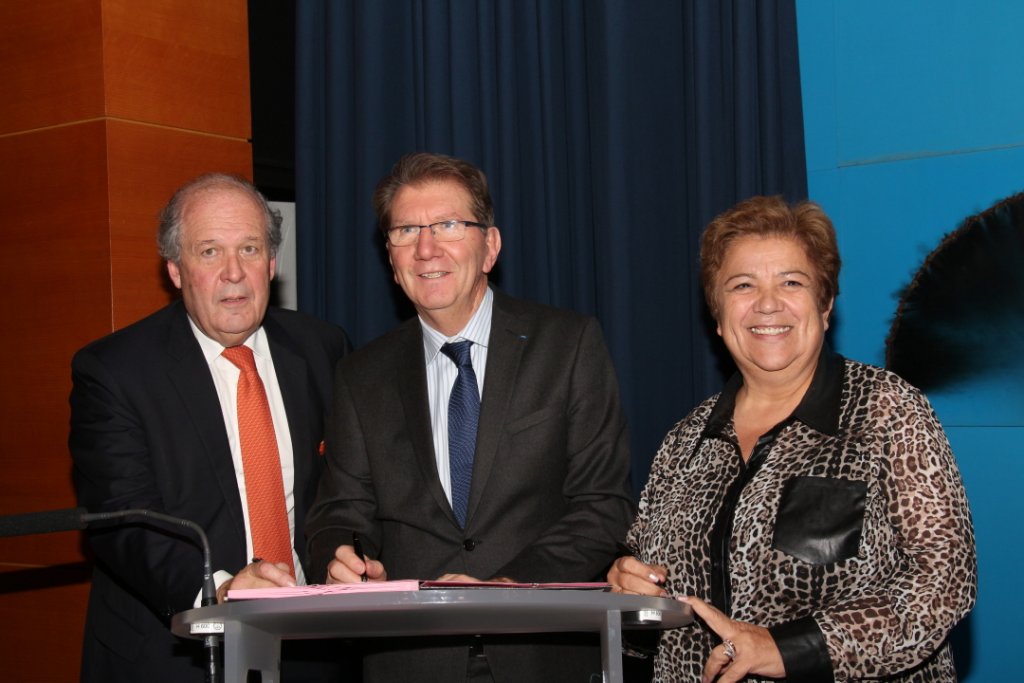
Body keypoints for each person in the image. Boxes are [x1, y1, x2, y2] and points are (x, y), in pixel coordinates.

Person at [609, 195, 976, 682]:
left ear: (825, 307)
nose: (766, 303)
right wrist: (630, 600)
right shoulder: (685, 441)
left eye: (791, 282)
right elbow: (648, 611)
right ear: (717, 317)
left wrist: (787, 649)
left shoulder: (886, 409)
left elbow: (945, 581)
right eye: (742, 285)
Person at [305, 152, 634, 682]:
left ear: (490, 247)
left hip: (542, 652)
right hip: (409, 660)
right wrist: (339, 554)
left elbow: (603, 505)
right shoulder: (359, 375)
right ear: (390, 259)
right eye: (406, 230)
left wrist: (509, 587)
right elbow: (338, 510)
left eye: (449, 225)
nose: (426, 247)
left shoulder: (567, 344)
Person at [70, 173, 351, 682]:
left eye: (249, 249)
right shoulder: (115, 371)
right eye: (209, 252)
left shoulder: (322, 349)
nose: (233, 274)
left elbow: (339, 490)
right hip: (174, 654)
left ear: (272, 262)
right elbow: (120, 520)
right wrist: (221, 593)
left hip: (309, 650)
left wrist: (346, 553)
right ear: (175, 270)